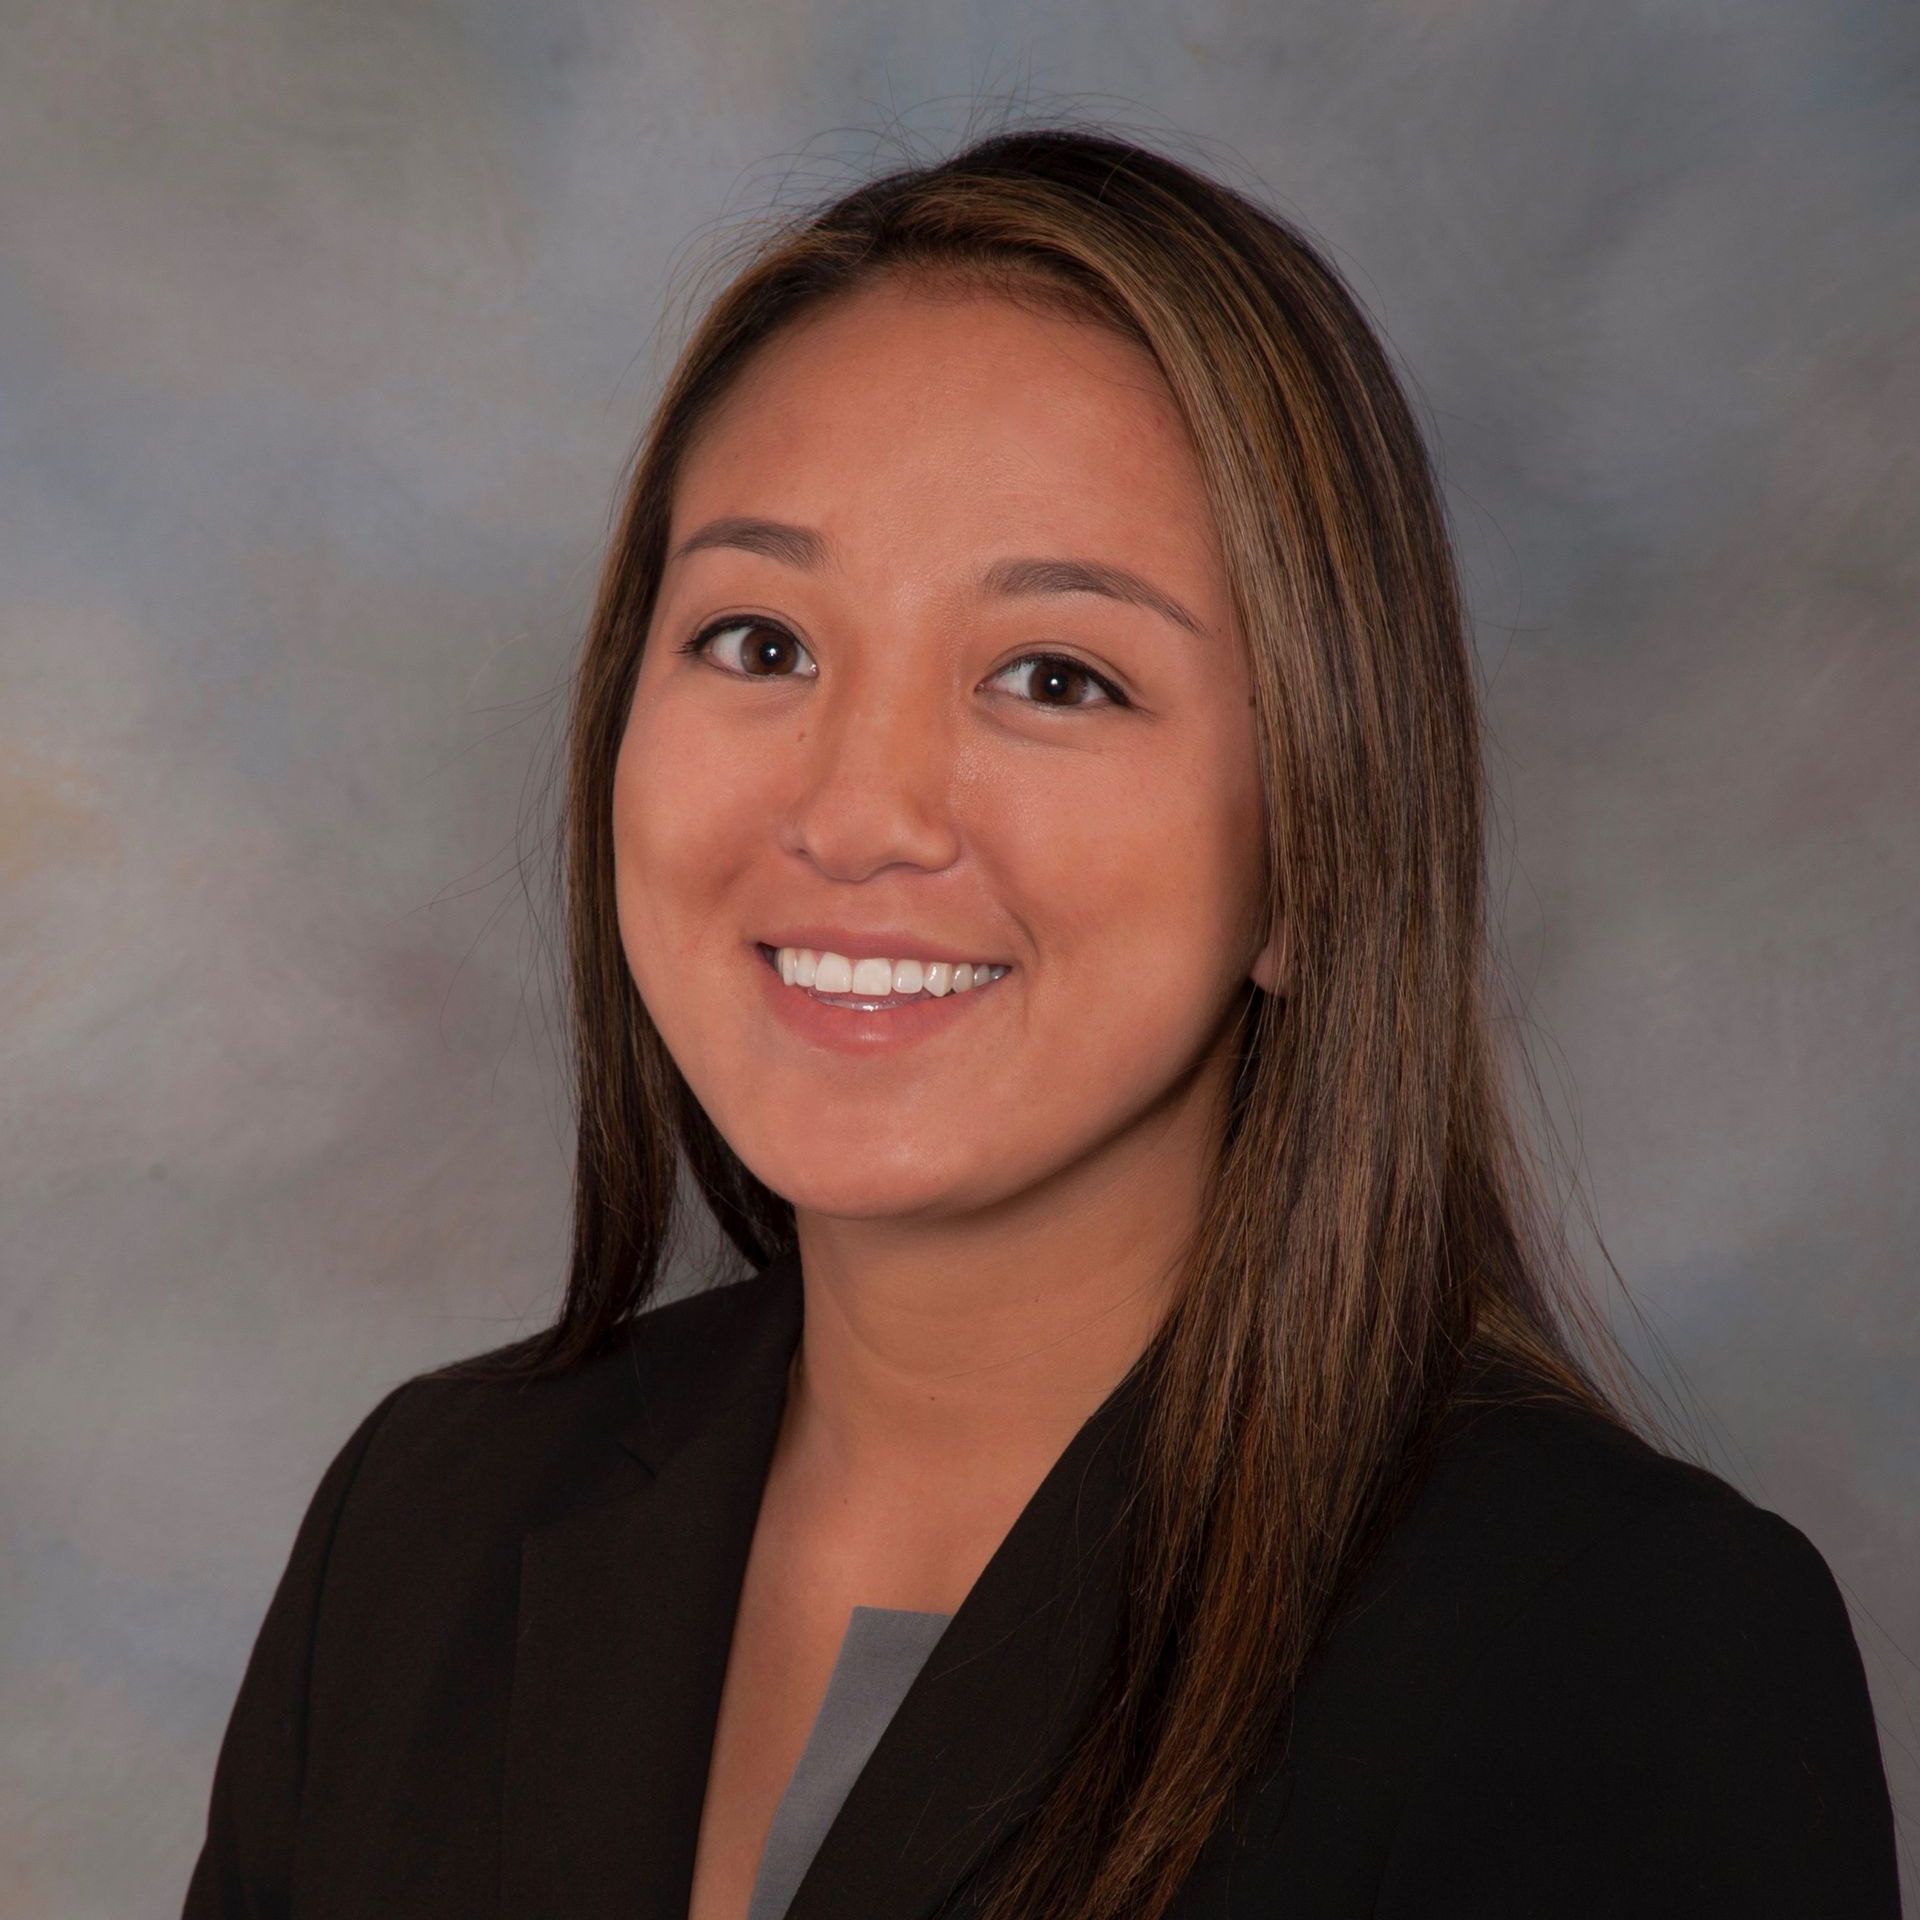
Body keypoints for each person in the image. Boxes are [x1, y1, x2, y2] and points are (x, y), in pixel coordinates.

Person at [182, 127, 1900, 1920]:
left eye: (1054, 677)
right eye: (761, 643)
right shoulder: (431, 1526)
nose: (857, 814)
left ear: (1318, 846)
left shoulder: (1609, 1644)